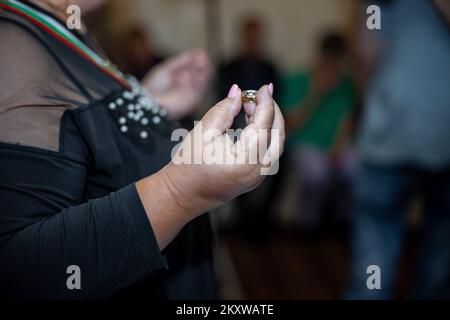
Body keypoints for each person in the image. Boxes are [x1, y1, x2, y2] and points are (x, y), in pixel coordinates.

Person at [0, 0, 285, 299]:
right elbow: (17, 273)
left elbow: (77, 138)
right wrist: (179, 194)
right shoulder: (12, 42)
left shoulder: (69, 26)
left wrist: (148, 101)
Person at [346, 0, 450, 299]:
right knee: (372, 280)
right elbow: (366, 57)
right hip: (384, 147)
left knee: (436, 277)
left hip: (443, 147)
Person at [280, 32, 356, 236]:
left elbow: (346, 118)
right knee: (316, 175)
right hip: (305, 142)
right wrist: (317, 91)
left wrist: (338, 146)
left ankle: (341, 222)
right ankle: (308, 225)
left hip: (337, 143)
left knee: (353, 170)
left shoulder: (346, 83)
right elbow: (292, 124)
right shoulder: (298, 79)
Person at [216, 16, 282, 243]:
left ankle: (261, 220)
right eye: (250, 35)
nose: (253, 40)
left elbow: (278, 101)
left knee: (280, 160)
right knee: (239, 158)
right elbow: (222, 100)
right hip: (236, 124)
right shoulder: (228, 66)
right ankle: (243, 219)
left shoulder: (271, 66)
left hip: (267, 124)